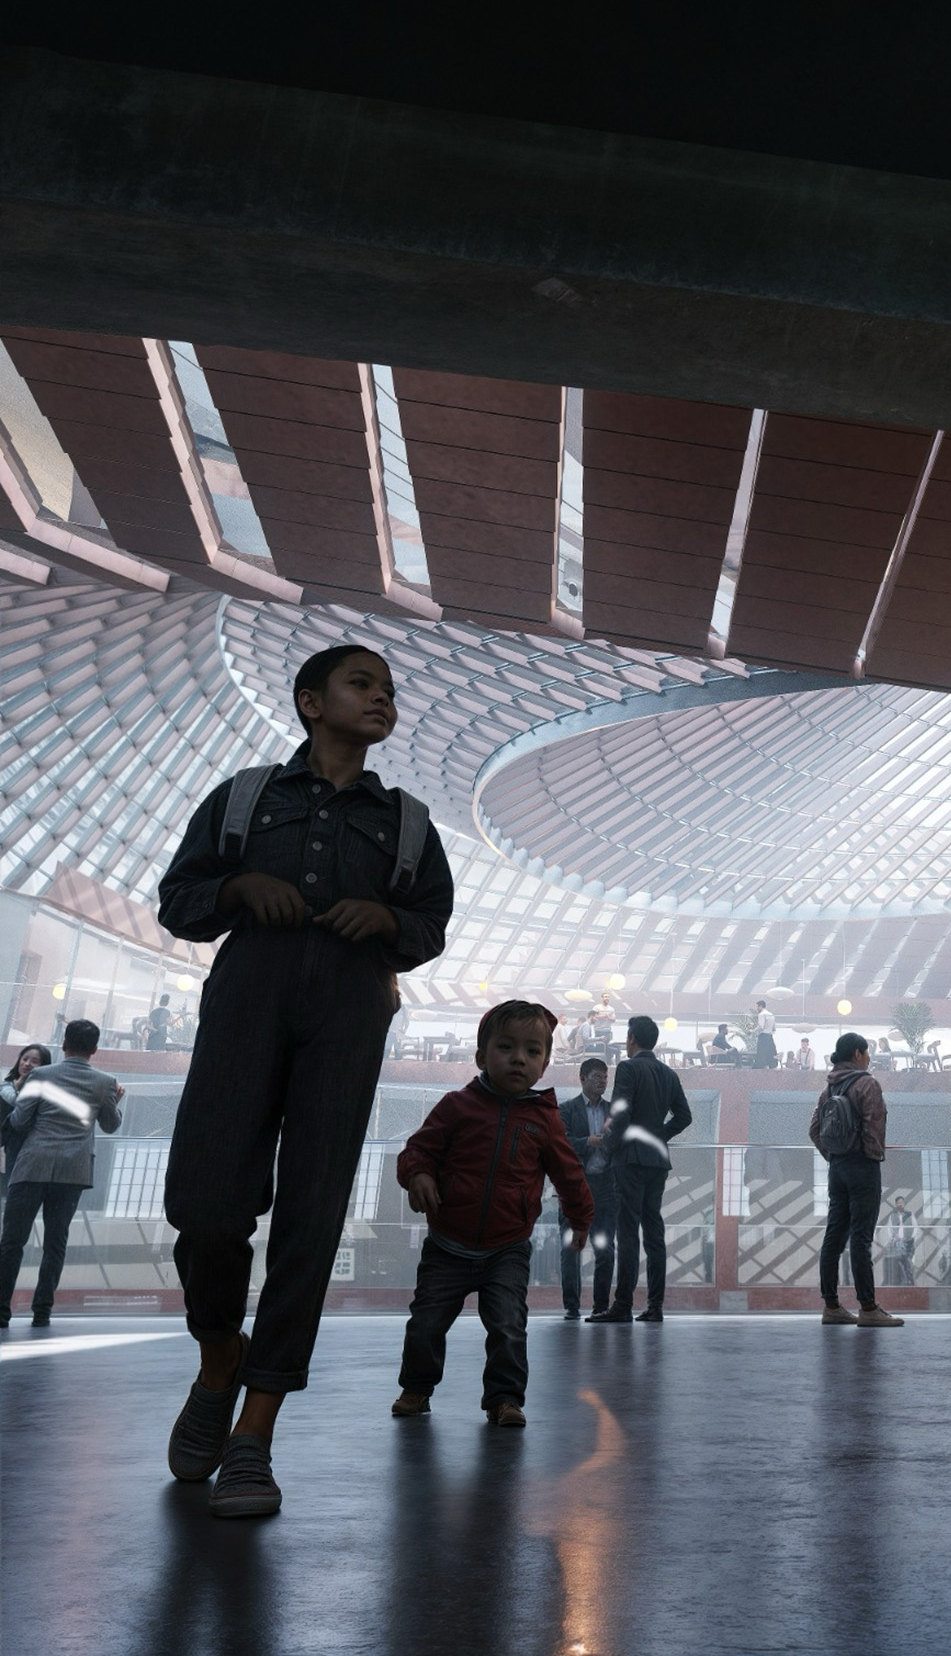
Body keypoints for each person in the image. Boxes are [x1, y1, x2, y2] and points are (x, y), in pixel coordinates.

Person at [158, 643, 454, 1518]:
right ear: (310, 701)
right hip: (245, 1005)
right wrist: (241, 885)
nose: (382, 700)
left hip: (350, 1016)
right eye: (363, 684)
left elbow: (430, 923)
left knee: (311, 1216)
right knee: (206, 1208)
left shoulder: (408, 822)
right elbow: (178, 899)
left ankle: (255, 1431)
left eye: (390, 692)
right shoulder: (246, 798)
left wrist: (388, 918)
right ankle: (219, 1356)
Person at [392, 1001, 592, 1423]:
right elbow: (418, 1150)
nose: (519, 1058)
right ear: (482, 1057)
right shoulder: (456, 1106)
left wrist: (580, 1216)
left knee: (507, 1326)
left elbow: (569, 1173)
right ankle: (416, 1388)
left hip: (508, 1249)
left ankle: (505, 1399)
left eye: (532, 1051)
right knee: (426, 1322)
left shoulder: (545, 1120)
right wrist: (418, 1175)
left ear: (544, 1065)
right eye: (506, 1047)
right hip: (447, 1244)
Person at [0, 1021, 122, 1328]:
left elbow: (19, 1120)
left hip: (32, 1165)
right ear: (94, 1049)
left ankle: (1, 1311)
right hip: (72, 1171)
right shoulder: (106, 1082)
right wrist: (115, 1104)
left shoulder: (40, 1075)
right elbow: (110, 1125)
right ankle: (42, 1311)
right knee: (56, 1243)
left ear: (64, 1044)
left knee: (12, 1241)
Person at [588, 1015, 692, 1323]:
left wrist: (611, 1147)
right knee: (654, 1232)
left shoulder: (629, 1067)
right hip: (657, 1161)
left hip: (630, 1160)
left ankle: (622, 1305)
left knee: (628, 1232)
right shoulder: (669, 1074)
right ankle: (655, 1305)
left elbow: (621, 1112)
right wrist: (658, 1134)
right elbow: (684, 1117)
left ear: (631, 1038)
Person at [809, 1032, 903, 1327]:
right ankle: (868, 1308)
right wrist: (871, 1157)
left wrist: (835, 1156)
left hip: (837, 1168)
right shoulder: (866, 1083)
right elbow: (874, 1126)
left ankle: (832, 1306)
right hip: (863, 1167)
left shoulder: (829, 1088)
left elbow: (814, 1129)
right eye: (868, 1052)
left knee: (834, 1236)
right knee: (861, 1238)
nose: (869, 1057)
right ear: (859, 1054)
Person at [560, 1056, 619, 1319]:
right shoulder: (567, 1109)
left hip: (606, 1188)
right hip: (575, 1188)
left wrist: (612, 1142)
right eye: (597, 1077)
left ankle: (600, 1307)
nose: (603, 1082)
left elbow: (624, 1142)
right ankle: (572, 1306)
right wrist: (588, 1141)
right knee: (571, 1248)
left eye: (605, 1078)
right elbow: (560, 1143)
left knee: (605, 1248)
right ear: (582, 1078)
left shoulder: (614, 1111)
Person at [1, 1044, 51, 1192]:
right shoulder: (6, 1086)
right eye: (25, 1059)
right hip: (5, 1146)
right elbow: (17, 1102)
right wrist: (19, 1084)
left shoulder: (46, 1092)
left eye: (35, 1061)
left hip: (27, 1150)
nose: (27, 1064)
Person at [880, 1194, 917, 1286]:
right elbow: (889, 1228)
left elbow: (915, 1227)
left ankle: (910, 1282)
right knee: (898, 1263)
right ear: (896, 1204)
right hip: (897, 1243)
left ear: (904, 1204)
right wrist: (892, 1238)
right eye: (899, 1203)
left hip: (908, 1243)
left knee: (908, 1263)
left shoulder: (910, 1214)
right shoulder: (892, 1216)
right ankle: (901, 1282)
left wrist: (912, 1237)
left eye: (902, 1203)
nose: (900, 1204)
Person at [753, 1000, 777, 1068]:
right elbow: (774, 1028)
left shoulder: (761, 1014)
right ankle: (772, 1066)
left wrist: (753, 1030)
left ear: (761, 1006)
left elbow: (761, 1026)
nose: (756, 1009)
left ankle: (760, 1068)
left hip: (763, 1036)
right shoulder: (771, 1014)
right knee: (770, 1053)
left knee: (761, 1054)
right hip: (770, 1036)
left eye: (757, 1007)